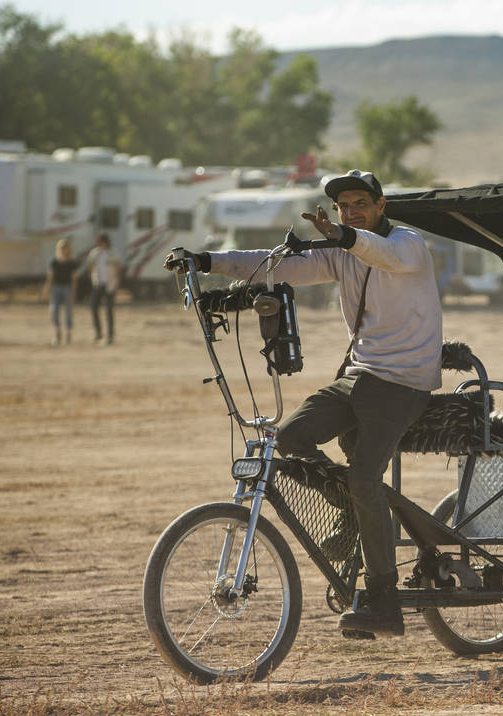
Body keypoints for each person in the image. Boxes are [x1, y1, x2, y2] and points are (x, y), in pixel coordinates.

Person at [164, 170, 442, 636]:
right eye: (343, 206)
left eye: (359, 203)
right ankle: (354, 508)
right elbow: (275, 266)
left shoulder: (408, 245)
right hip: (359, 377)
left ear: (381, 205)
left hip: (403, 383)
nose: (350, 210)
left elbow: (383, 254)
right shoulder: (343, 250)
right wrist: (207, 259)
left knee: (365, 476)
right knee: (289, 438)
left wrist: (345, 236)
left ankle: (383, 599)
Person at [41, 238, 78, 345]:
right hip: (56, 287)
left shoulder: (72, 263)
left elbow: (74, 279)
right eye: (62, 248)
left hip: (67, 287)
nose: (63, 250)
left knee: (68, 311)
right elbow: (50, 278)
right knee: (54, 310)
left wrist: (74, 292)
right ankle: (57, 333)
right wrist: (46, 290)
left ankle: (68, 333)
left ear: (68, 249)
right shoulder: (54, 262)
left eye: (65, 248)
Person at [87, 233, 121, 344]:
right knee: (94, 307)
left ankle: (110, 335)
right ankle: (98, 333)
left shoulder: (113, 253)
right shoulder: (95, 253)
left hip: (110, 283)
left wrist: (116, 284)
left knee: (109, 310)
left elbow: (118, 268)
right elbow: (91, 267)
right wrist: (93, 279)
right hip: (98, 283)